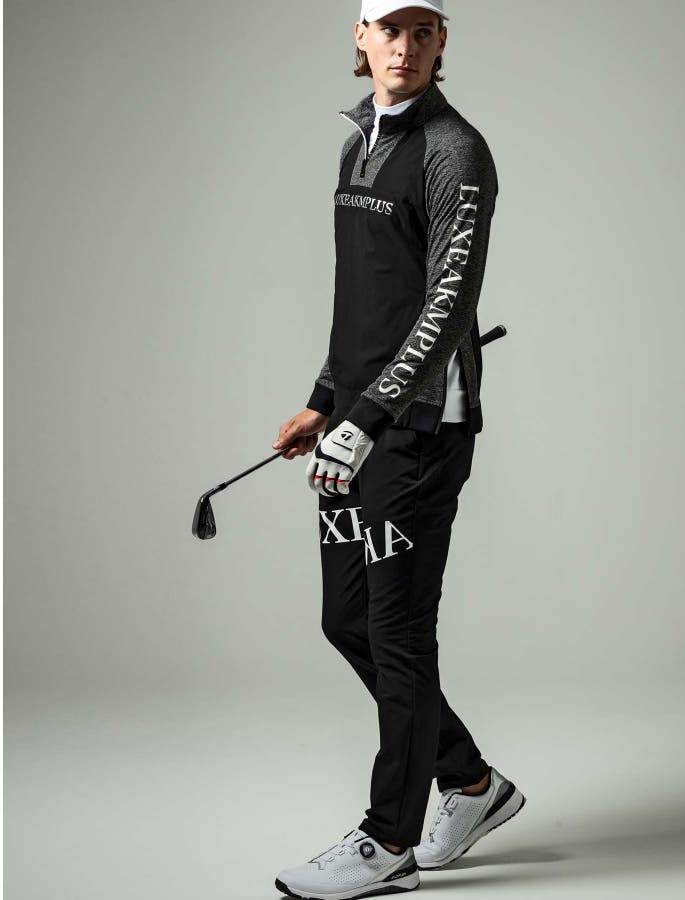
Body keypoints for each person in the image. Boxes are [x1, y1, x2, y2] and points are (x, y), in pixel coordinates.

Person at [271, 3, 523, 897]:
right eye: (389, 29)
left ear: (443, 40)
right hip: (355, 423)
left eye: (423, 32)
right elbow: (365, 297)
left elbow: (448, 303)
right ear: (360, 35)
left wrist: (367, 416)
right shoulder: (357, 145)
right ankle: (472, 784)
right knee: (349, 621)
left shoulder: (457, 151)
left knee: (400, 635)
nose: (405, 48)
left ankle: (388, 844)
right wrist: (324, 399)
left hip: (416, 431)